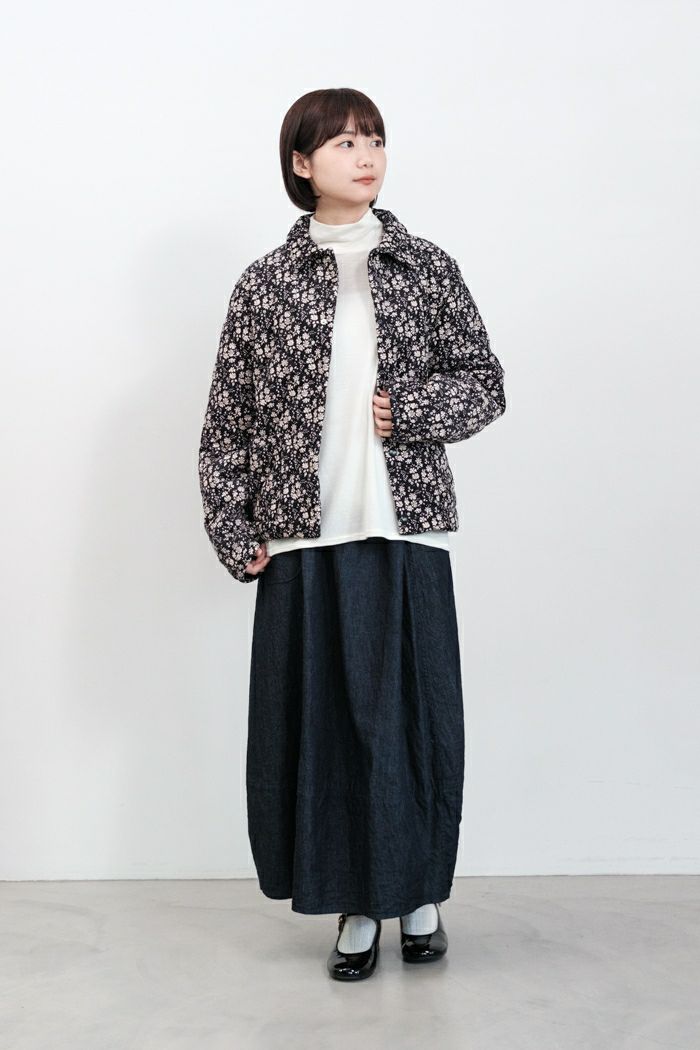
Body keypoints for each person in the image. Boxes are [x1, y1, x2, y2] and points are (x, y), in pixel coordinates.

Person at [198, 87, 506, 981]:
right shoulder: (264, 284)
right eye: (342, 143)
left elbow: (483, 381)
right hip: (303, 536)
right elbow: (228, 419)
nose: (365, 155)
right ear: (301, 164)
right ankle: (355, 910)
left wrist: (411, 410)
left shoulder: (426, 267)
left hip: (404, 527)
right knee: (324, 732)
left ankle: (419, 896)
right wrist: (233, 526)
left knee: (413, 725)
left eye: (374, 139)